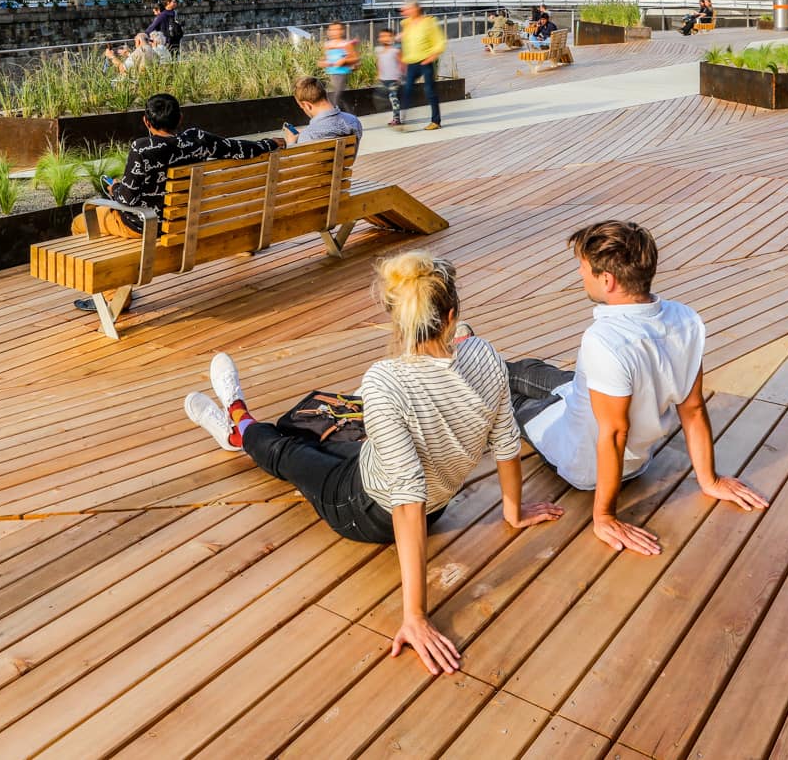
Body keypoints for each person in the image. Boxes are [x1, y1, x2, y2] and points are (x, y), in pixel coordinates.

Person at [182, 252, 564, 674]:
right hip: (420, 495)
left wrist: (415, 616)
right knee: (328, 444)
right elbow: (505, 441)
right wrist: (514, 510)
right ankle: (251, 429)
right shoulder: (485, 355)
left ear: (396, 321)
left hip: (364, 511)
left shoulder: (384, 380)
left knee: (289, 455)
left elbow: (406, 503)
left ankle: (238, 424)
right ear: (452, 314)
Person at [506, 221, 766, 554]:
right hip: (601, 416)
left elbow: (614, 434)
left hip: (580, 459)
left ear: (607, 280)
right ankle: (472, 352)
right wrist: (709, 480)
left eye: (582, 269)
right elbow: (693, 408)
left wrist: (604, 517)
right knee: (534, 370)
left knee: (507, 396)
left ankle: (467, 361)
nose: (580, 276)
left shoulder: (604, 341)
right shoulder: (686, 319)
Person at [70, 95, 286, 316]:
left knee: (81, 223)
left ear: (146, 121)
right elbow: (237, 148)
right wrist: (268, 143)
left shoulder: (142, 148)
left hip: (143, 226)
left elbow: (127, 200)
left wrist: (113, 187)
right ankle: (116, 289)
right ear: (180, 118)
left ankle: (113, 297)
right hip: (184, 221)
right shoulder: (197, 139)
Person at [398, 0, 445, 131]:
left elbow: (440, 42)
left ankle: (436, 121)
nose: (405, 12)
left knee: (430, 91)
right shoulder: (407, 24)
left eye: (408, 9)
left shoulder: (429, 22)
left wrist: (432, 56)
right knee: (407, 91)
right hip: (411, 62)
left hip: (425, 61)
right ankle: (404, 121)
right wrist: (402, 60)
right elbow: (406, 43)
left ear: (416, 9)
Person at [284, 74, 363, 144]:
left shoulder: (308, 136)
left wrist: (291, 143)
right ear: (324, 94)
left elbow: (294, 160)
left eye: (302, 107)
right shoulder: (353, 122)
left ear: (307, 105)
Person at [322, 22, 360, 106]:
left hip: (341, 74)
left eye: (337, 29)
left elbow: (355, 58)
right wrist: (323, 62)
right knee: (338, 99)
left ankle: (335, 114)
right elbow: (325, 59)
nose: (334, 32)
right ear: (328, 31)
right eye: (332, 30)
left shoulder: (345, 44)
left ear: (342, 31)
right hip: (330, 74)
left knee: (336, 98)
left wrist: (344, 61)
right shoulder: (327, 45)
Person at [375, 28, 405, 127]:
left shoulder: (395, 50)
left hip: (394, 79)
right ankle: (396, 116)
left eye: (388, 36)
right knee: (390, 98)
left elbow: (402, 63)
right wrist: (378, 74)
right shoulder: (379, 51)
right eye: (382, 36)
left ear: (392, 38)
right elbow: (379, 63)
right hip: (384, 79)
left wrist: (401, 75)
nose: (385, 38)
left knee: (393, 98)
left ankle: (396, 119)